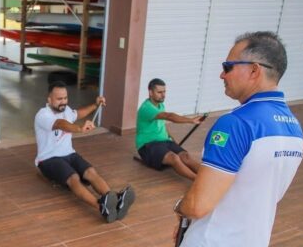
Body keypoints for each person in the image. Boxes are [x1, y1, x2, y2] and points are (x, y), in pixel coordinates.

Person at [161, 32, 303, 247]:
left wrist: (180, 208)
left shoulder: (235, 124)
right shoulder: (294, 129)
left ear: (254, 70)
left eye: (228, 66)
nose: (222, 74)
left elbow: (198, 205)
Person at [34, 81, 135, 223]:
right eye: (59, 99)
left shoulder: (66, 110)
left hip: (69, 154)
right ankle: (101, 207)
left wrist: (95, 104)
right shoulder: (43, 115)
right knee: (73, 178)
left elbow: (78, 113)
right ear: (49, 100)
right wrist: (79, 129)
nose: (63, 102)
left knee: (91, 172)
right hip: (49, 159)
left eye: (65, 98)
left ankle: (114, 199)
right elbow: (60, 124)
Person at [136, 78, 205, 180]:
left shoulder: (160, 105)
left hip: (164, 141)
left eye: (164, 92)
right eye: (159, 92)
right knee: (174, 158)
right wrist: (190, 120)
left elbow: (161, 125)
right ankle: (198, 180)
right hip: (148, 145)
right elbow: (169, 116)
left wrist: (172, 139)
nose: (163, 95)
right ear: (150, 92)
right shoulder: (146, 108)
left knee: (186, 156)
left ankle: (206, 177)